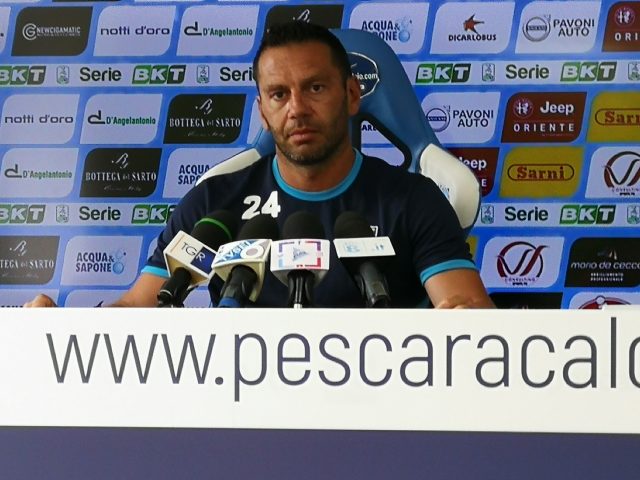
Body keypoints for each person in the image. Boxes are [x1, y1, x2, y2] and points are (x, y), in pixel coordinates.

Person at [25, 21, 494, 309]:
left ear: (352, 95)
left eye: (315, 88)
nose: (297, 109)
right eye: (279, 94)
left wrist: (467, 316)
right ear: (263, 112)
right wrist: (55, 333)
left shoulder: (411, 198)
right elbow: (140, 307)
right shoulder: (215, 204)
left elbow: (462, 308)